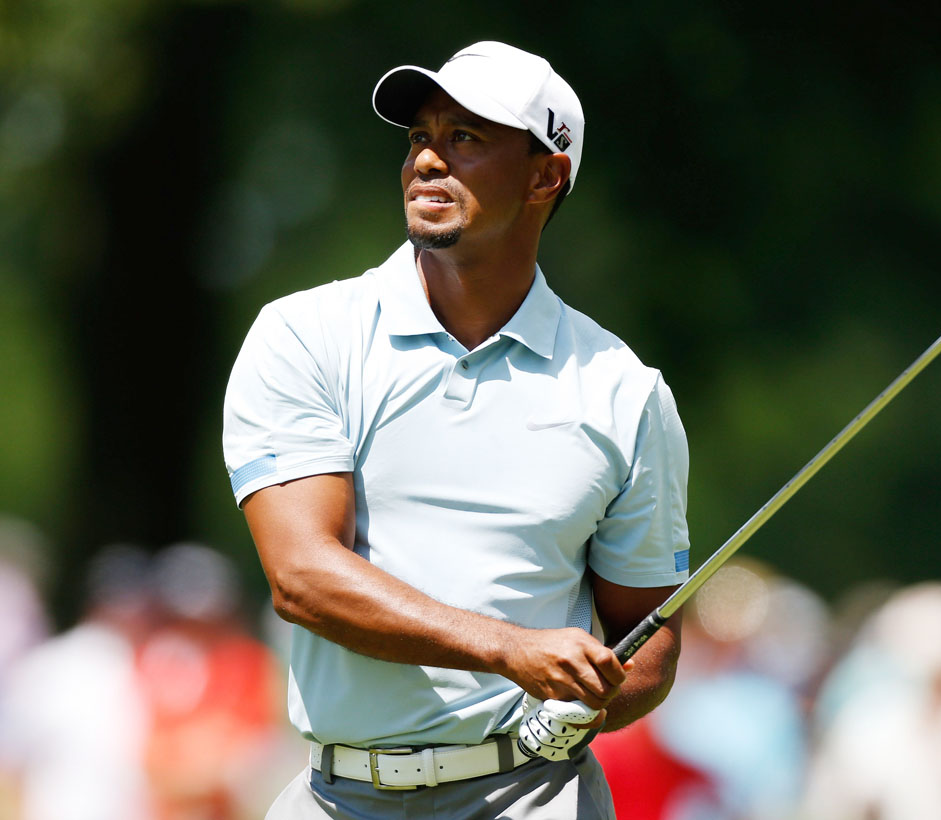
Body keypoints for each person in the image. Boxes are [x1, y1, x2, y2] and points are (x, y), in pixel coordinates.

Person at [222, 41, 690, 819]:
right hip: (339, 797)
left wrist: (592, 703)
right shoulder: (305, 335)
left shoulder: (625, 392)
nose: (429, 160)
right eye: (419, 138)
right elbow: (302, 577)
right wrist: (512, 650)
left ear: (546, 176)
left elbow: (649, 638)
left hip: (537, 795)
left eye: (466, 138)